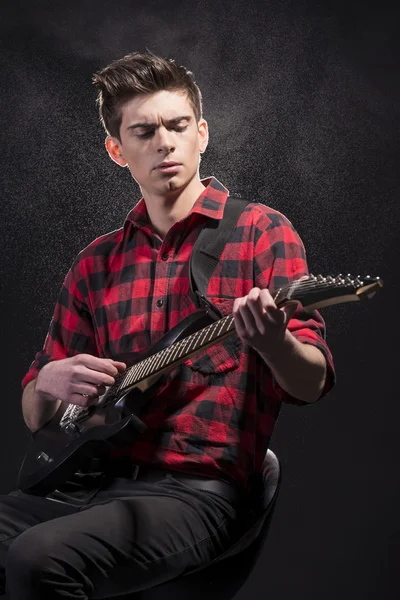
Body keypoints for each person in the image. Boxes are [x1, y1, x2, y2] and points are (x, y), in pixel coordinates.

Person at [0, 51, 335, 599]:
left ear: (201, 133)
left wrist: (274, 341)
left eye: (178, 125)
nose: (165, 141)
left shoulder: (259, 232)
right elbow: (38, 414)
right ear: (117, 150)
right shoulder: (96, 264)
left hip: (198, 493)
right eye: (144, 131)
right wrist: (48, 384)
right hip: (90, 483)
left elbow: (312, 380)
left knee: (36, 560)